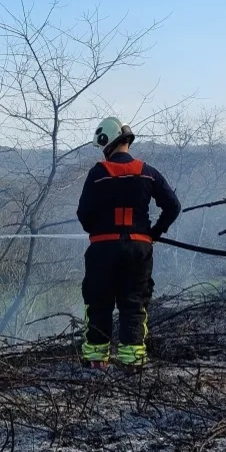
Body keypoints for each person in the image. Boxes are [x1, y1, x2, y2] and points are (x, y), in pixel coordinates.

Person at [76, 117, 181, 369]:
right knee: (134, 304)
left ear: (108, 143)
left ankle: (96, 361)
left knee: (99, 302)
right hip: (138, 250)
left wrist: (99, 232)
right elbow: (173, 206)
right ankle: (131, 362)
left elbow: (83, 214)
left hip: (102, 251)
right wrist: (155, 233)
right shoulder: (148, 172)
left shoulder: (98, 173)